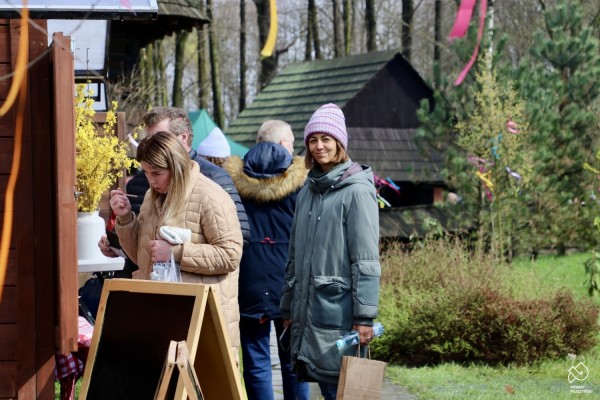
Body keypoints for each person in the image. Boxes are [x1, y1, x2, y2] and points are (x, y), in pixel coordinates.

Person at [109, 132, 243, 362]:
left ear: (177, 166)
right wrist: (124, 219)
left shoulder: (211, 196)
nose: (151, 181)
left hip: (205, 320)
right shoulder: (153, 197)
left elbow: (231, 255)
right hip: (165, 317)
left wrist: (176, 253)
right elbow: (142, 256)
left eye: (157, 173)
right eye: (147, 172)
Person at [279, 104, 381, 400]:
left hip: (339, 314)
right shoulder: (307, 191)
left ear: (339, 143)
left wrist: (364, 317)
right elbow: (294, 257)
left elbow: (365, 259)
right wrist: (288, 307)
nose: (320, 146)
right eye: (313, 140)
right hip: (307, 311)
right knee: (325, 387)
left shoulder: (357, 191)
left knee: (342, 390)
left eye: (326, 139)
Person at [99, 107, 250, 270]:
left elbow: (236, 245)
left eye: (161, 138)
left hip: (197, 291)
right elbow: (143, 251)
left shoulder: (213, 180)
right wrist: (123, 226)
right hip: (151, 285)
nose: (152, 147)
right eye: (149, 139)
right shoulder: (145, 186)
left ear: (183, 137)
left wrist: (175, 252)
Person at [224, 120, 309, 400]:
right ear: (284, 144)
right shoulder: (301, 184)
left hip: (250, 281)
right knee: (294, 360)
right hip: (289, 284)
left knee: (257, 362)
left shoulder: (233, 183)